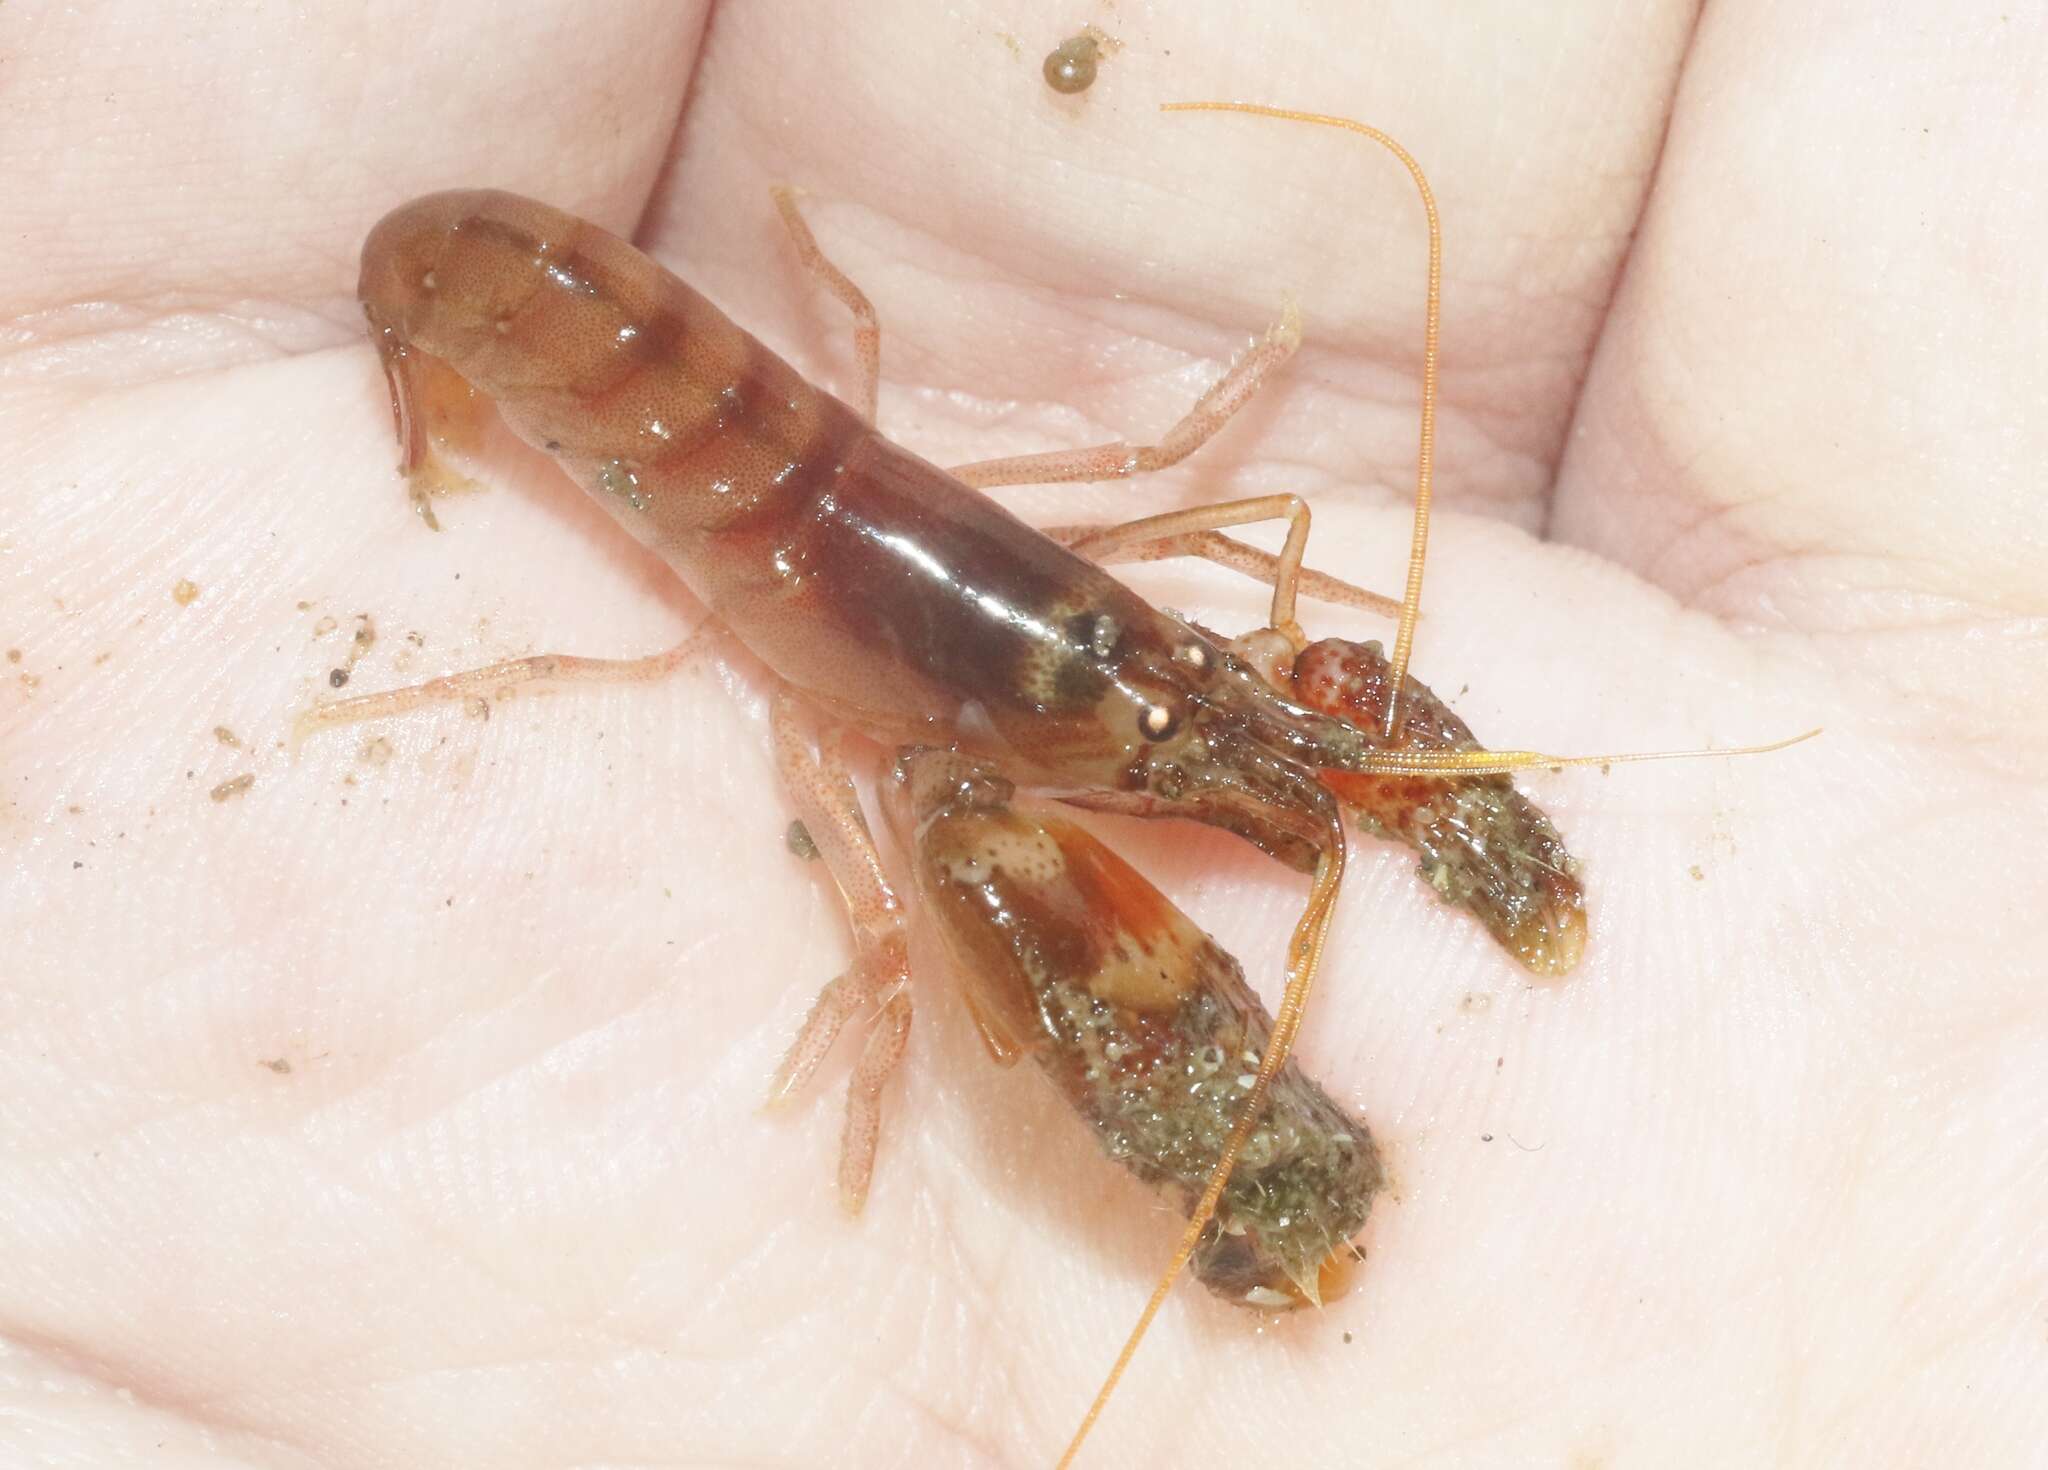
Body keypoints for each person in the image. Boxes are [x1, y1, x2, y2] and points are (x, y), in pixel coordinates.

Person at [2, 2, 2040, 1464]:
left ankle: (1427, 826)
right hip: (553, 323)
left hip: (857, 496)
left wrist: (1217, 718)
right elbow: (953, 840)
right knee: (943, 886)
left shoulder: (1155, 650)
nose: (1224, 702)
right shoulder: (950, 780)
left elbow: (1210, 616)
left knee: (1210, 706)